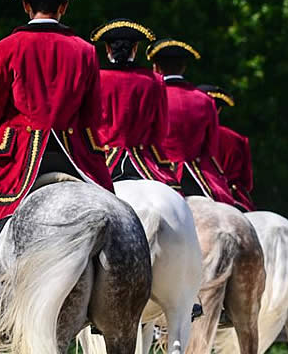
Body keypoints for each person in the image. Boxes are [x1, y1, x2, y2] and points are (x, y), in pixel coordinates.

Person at [0, 0, 113, 343]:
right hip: (70, 152)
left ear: (25, 6)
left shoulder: (5, 47)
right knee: (115, 209)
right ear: (63, 8)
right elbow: (93, 116)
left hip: (20, 152)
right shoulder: (85, 50)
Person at [88, 19, 181, 190]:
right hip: (143, 159)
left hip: (104, 160)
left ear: (108, 49)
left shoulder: (97, 78)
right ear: (135, 48)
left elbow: (87, 122)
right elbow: (160, 131)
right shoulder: (155, 81)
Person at [146, 39, 236, 204]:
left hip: (159, 171)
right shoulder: (205, 100)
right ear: (184, 67)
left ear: (156, 67)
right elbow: (211, 149)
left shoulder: (150, 96)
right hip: (196, 174)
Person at [196, 84, 256, 211]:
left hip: (201, 189)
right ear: (219, 110)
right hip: (234, 196)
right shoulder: (238, 138)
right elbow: (247, 183)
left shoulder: (192, 135)